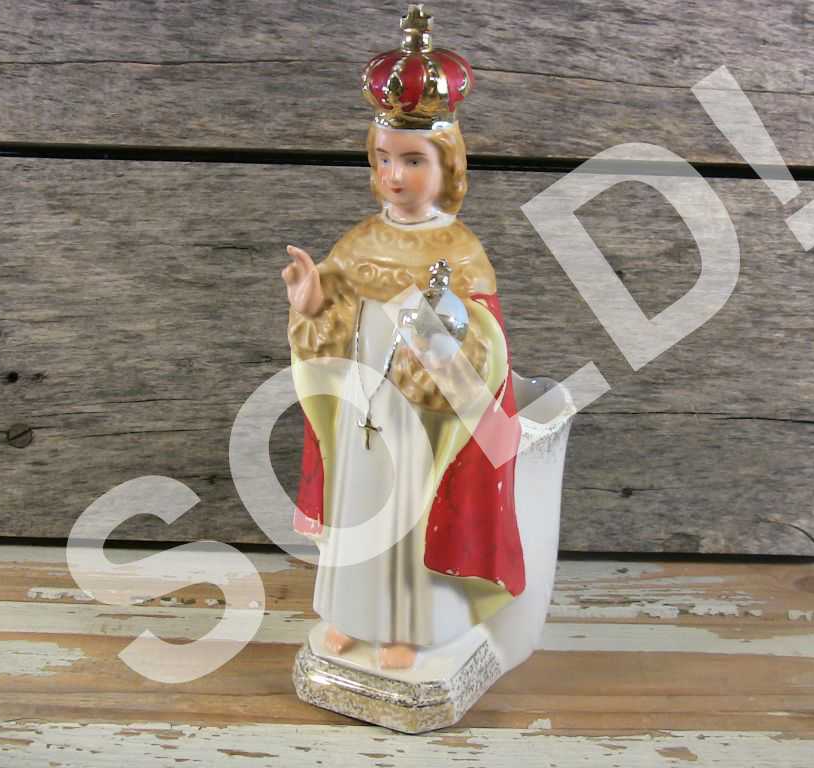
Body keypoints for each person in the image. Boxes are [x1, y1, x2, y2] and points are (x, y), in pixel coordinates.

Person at [281, 4, 524, 671]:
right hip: (361, 402)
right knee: (357, 505)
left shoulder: (461, 250)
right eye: (385, 158)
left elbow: (483, 349)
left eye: (413, 160)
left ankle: (401, 626)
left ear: (448, 166)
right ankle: (349, 613)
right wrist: (312, 302)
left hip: (419, 414)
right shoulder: (361, 238)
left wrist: (443, 339)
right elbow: (334, 321)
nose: (394, 176)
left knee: (405, 515)